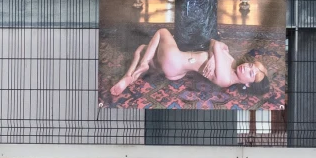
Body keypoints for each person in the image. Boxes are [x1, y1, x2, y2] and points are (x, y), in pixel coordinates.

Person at [109, 28, 269, 99]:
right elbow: (214, 42)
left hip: (174, 59)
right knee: (141, 49)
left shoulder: (226, 80)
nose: (246, 67)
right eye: (250, 66)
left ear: (247, 85)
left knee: (162, 32)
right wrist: (216, 51)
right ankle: (129, 77)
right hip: (176, 71)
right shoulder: (232, 64)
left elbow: (218, 45)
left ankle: (143, 65)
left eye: (250, 73)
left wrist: (218, 48)